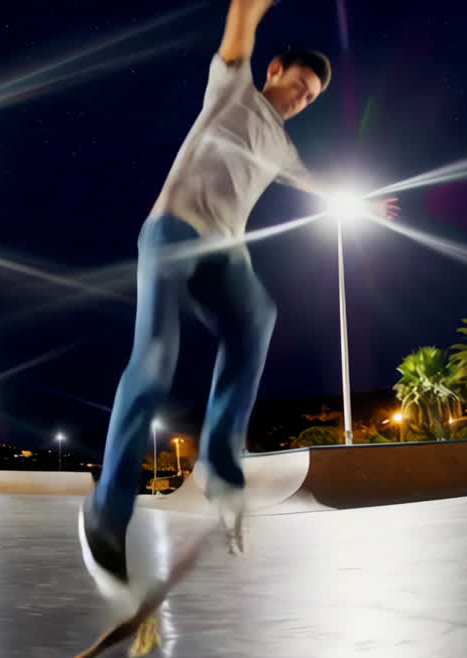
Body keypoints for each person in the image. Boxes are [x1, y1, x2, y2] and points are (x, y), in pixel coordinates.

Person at [79, 0, 399, 612]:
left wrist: (360, 203)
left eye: (310, 100)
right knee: (155, 361)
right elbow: (242, 17)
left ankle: (221, 465)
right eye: (298, 87)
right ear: (274, 70)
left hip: (224, 253)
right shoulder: (231, 85)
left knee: (258, 315)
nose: (300, 101)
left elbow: (315, 183)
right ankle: (106, 515)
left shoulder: (282, 147)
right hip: (172, 233)